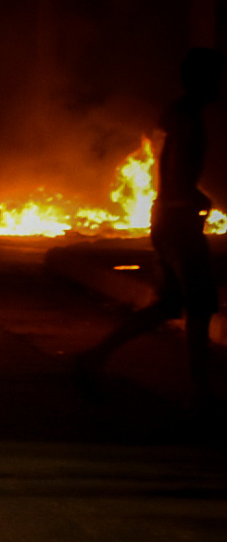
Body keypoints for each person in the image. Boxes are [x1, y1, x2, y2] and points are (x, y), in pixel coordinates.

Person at [76, 47, 224, 409]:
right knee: (201, 306)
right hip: (178, 222)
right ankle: (201, 393)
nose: (222, 84)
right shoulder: (188, 120)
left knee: (170, 304)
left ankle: (96, 356)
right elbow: (175, 175)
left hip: (168, 219)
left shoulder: (181, 116)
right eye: (217, 77)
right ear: (202, 81)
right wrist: (196, 201)